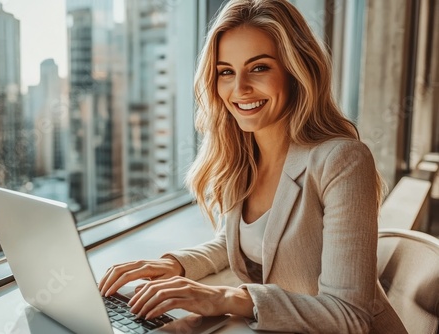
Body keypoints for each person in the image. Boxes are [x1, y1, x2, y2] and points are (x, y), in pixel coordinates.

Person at [99, 0, 407, 332]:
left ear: (295, 70)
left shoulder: (342, 161)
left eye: (259, 67)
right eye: (226, 72)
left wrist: (226, 298)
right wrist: (173, 265)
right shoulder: (241, 156)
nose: (240, 88)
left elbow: (349, 315)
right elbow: (242, 243)